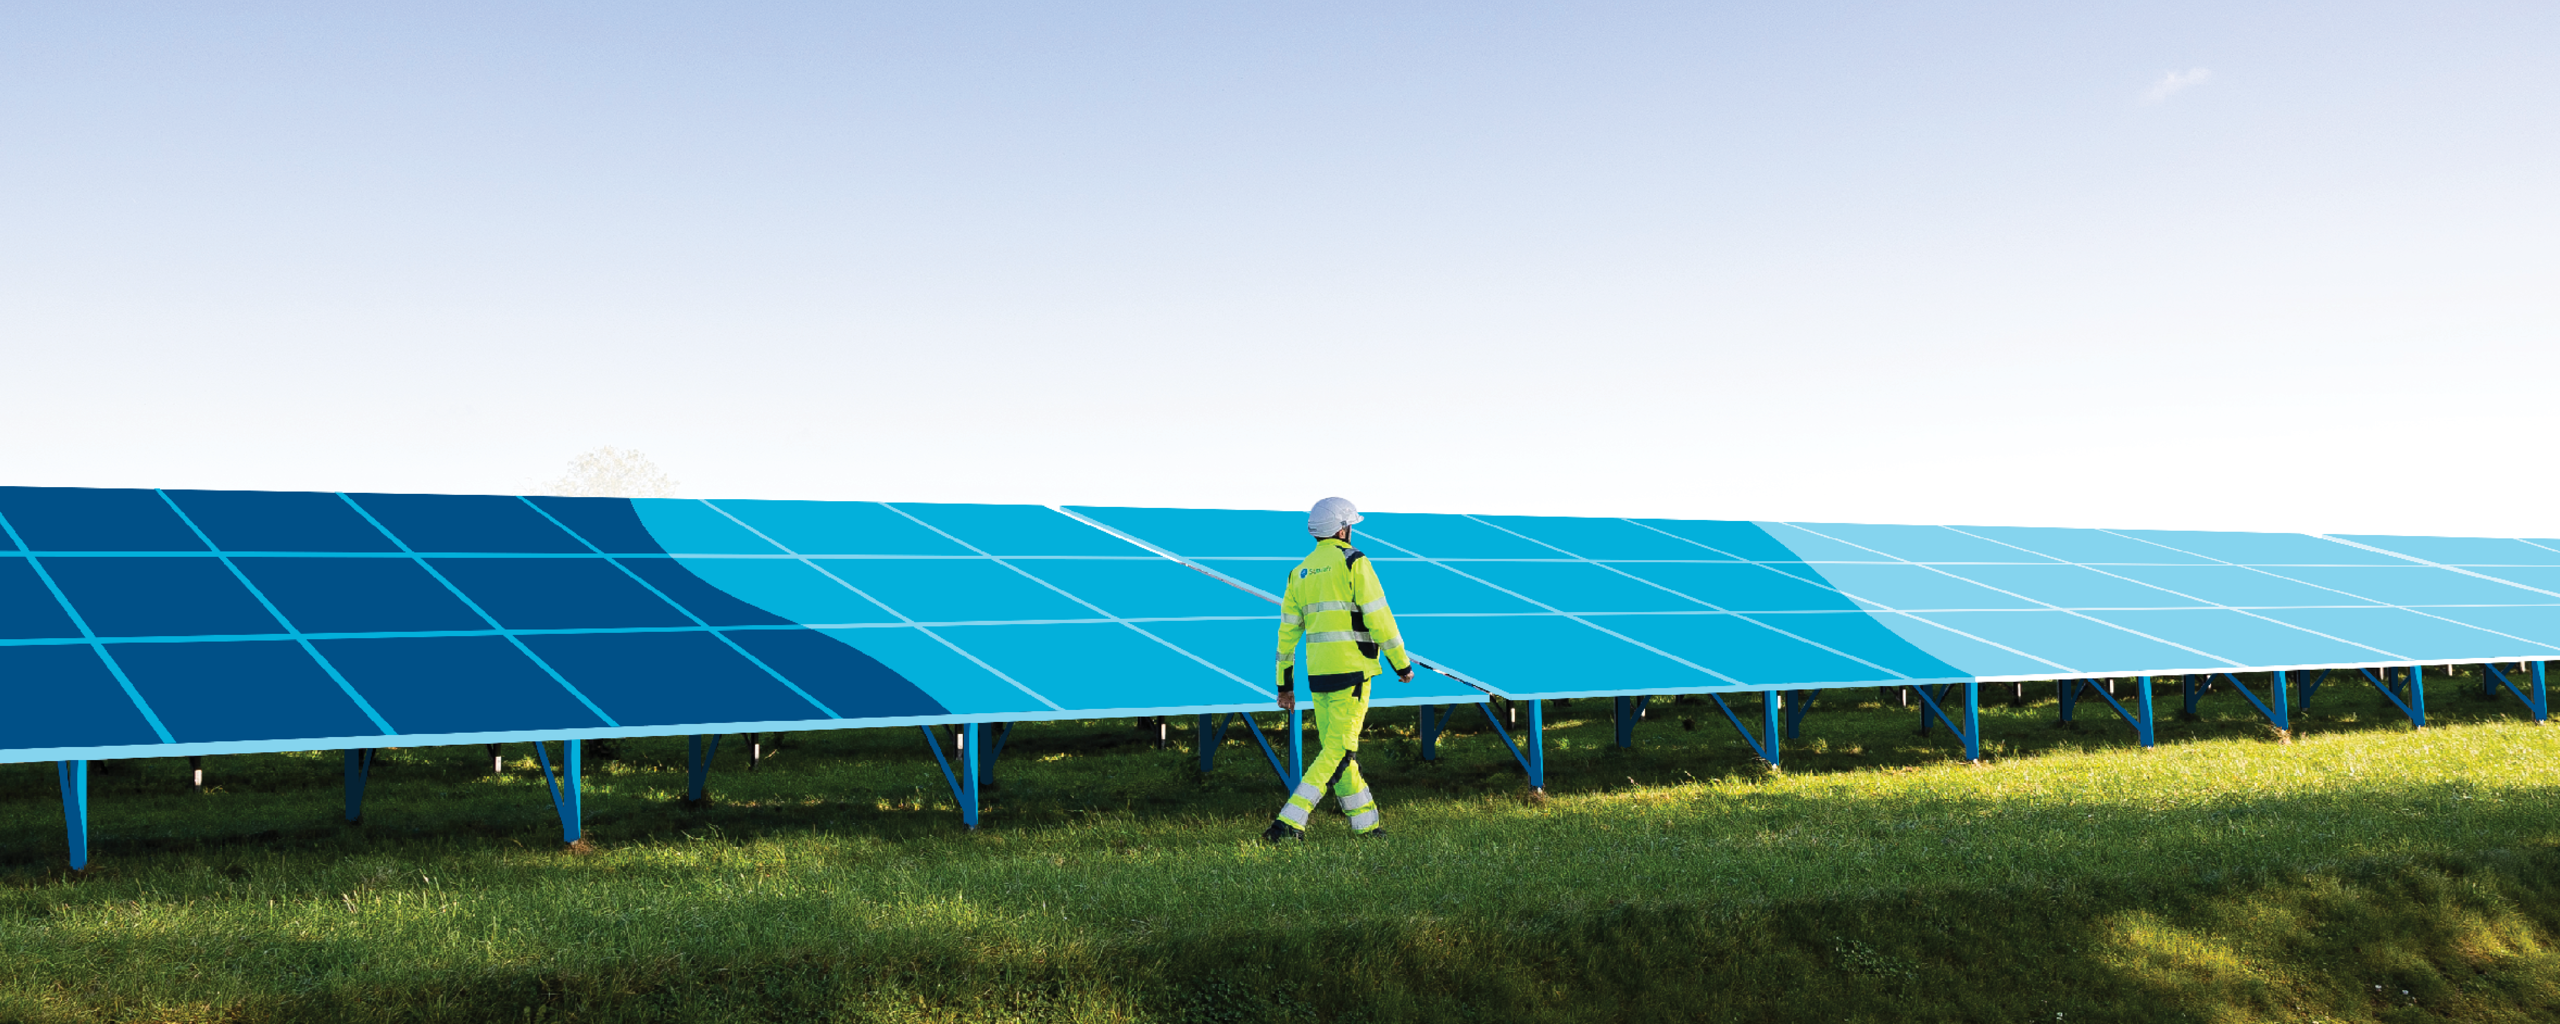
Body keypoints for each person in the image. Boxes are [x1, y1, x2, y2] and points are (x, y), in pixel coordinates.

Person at [1263, 496, 1414, 842]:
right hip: (1353, 673)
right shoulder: (1354, 562)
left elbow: (1286, 635)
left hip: (1318, 676)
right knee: (1339, 750)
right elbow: (1379, 617)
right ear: (1343, 529)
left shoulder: (1298, 572)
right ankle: (1289, 822)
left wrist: (1284, 685)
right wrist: (1400, 663)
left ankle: (1367, 826)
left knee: (1338, 750)